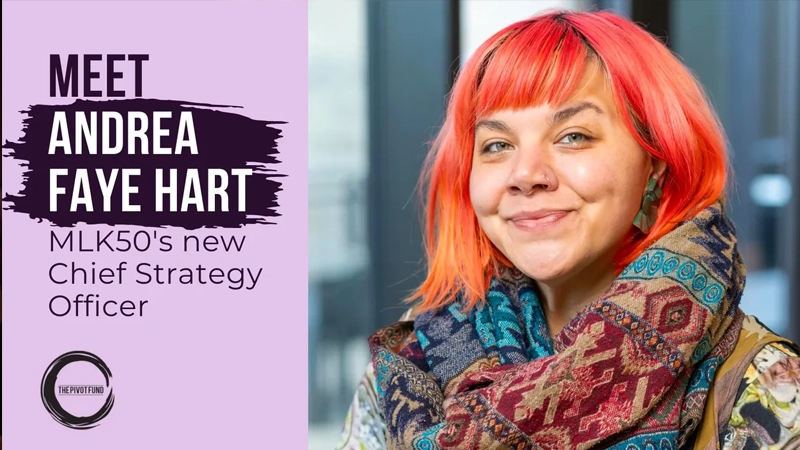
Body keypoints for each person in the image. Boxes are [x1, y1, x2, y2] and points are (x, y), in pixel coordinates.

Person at [336, 9, 800, 450]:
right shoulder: (412, 365)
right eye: (496, 144)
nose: (526, 174)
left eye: (573, 136)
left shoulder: (769, 388)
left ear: (655, 165)